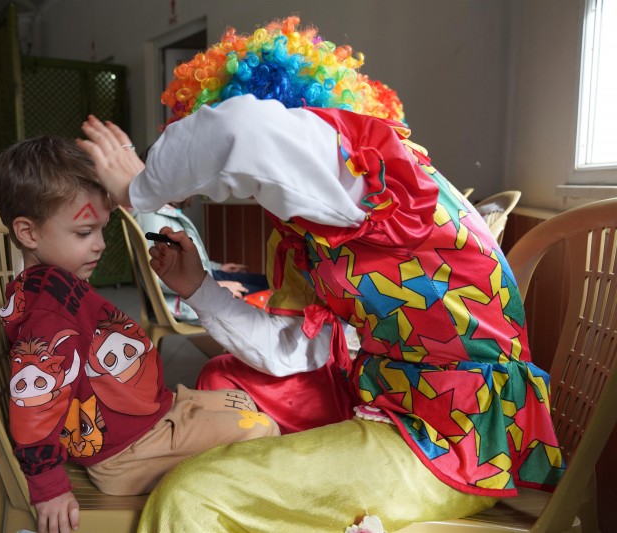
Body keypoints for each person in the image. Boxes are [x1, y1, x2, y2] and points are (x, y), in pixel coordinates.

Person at [77, 16, 565, 532]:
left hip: (459, 433)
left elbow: (238, 131)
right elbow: (294, 350)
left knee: (190, 495)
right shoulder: (318, 227)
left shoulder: (360, 174)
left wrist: (140, 188)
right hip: (387, 394)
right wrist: (198, 288)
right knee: (222, 377)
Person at [0, 135, 279, 533]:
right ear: (28, 232)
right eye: (84, 232)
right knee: (262, 430)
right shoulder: (47, 311)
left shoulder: (56, 286)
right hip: (130, 451)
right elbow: (35, 401)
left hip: (147, 418)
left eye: (101, 230)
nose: (100, 245)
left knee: (246, 401)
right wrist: (48, 487)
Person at [133, 197, 269, 322]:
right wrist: (216, 287)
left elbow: (184, 259)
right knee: (268, 293)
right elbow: (158, 277)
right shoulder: (154, 217)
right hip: (188, 295)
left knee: (267, 282)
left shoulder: (162, 212)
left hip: (200, 278)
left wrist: (218, 267)